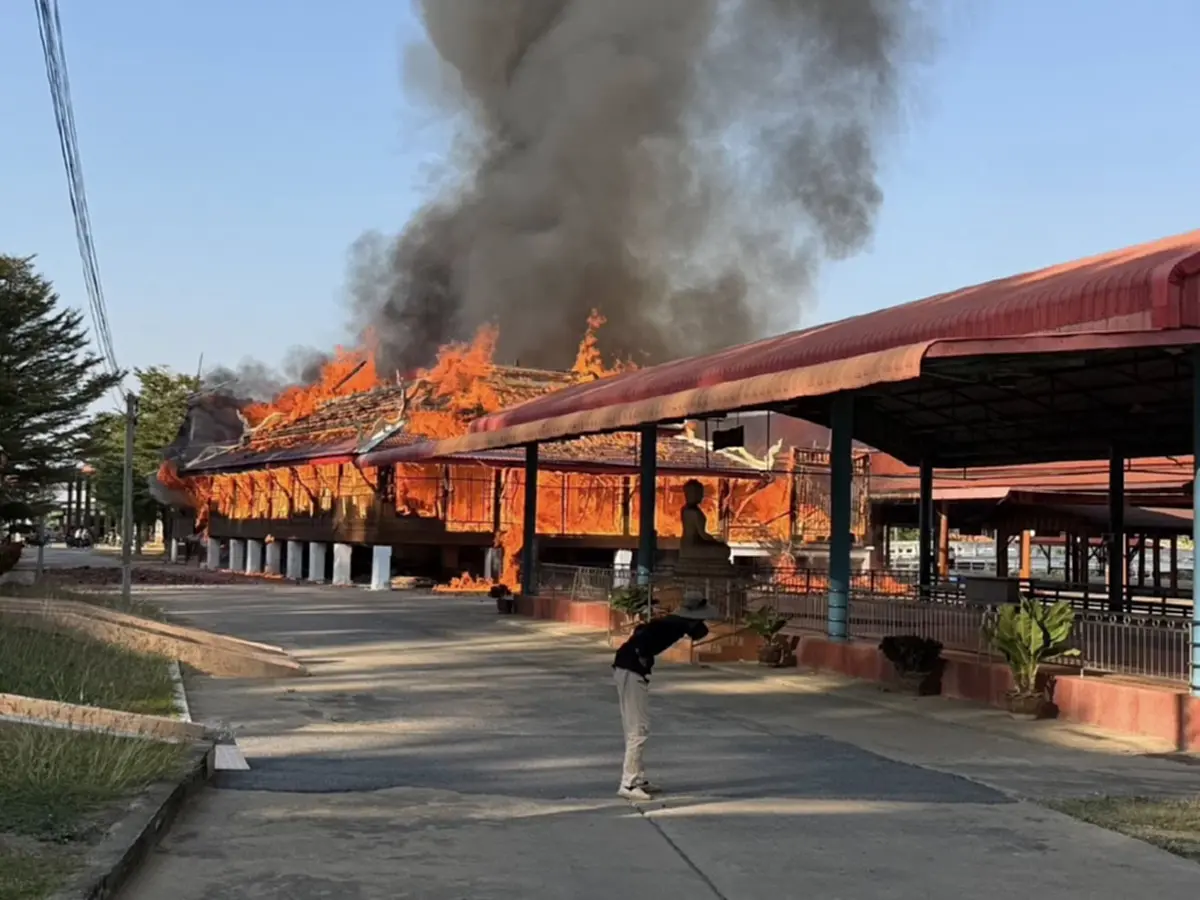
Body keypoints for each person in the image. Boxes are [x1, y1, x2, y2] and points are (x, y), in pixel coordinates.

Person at [612, 592, 720, 800]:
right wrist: (642, 657)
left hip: (628, 669)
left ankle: (637, 778)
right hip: (631, 671)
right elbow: (642, 637)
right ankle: (629, 783)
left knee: (636, 728)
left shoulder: (672, 624)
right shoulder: (674, 626)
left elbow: (641, 630)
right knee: (638, 729)